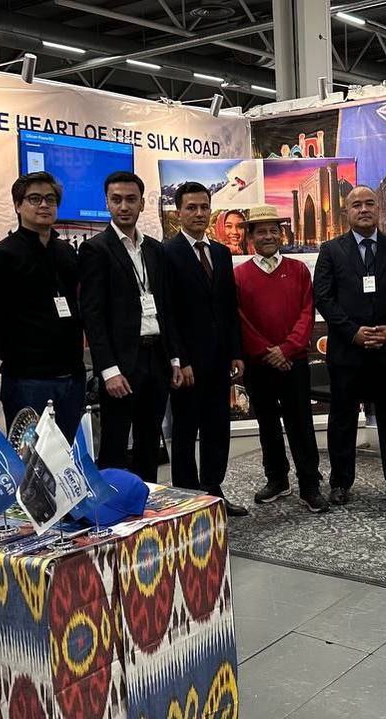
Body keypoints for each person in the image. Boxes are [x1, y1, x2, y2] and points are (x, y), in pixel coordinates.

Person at [313, 186, 386, 505]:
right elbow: (323, 297)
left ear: (378, 209)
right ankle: (340, 483)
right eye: (356, 204)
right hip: (347, 352)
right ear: (346, 212)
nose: (364, 209)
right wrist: (352, 332)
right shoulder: (331, 250)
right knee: (343, 419)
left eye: (369, 203)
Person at [78, 171, 184, 484]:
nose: (124, 206)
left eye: (130, 199)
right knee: (114, 441)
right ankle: (111, 507)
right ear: (107, 203)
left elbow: (166, 307)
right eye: (116, 200)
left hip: (157, 357)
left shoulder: (154, 249)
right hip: (122, 363)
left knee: (149, 441)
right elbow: (92, 316)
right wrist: (108, 370)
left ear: (141, 204)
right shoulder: (96, 249)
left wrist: (175, 358)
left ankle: (144, 499)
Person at [235, 204, 329, 513]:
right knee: (268, 425)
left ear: (281, 235)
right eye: (261, 231)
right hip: (259, 364)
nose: (268, 236)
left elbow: (307, 312)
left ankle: (309, 485)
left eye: (273, 230)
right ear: (251, 237)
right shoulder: (239, 275)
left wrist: (286, 349)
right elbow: (240, 320)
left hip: (294, 361)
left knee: (301, 424)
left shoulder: (298, 269)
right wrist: (268, 352)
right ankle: (277, 479)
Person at [0, 171, 84, 440]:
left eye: (50, 199)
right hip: (28, 380)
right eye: (35, 199)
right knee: (30, 458)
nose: (44, 205)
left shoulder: (66, 252)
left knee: (66, 455)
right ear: (18, 205)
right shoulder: (1, 256)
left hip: (72, 377)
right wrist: (21, 358)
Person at [163, 182, 249, 517]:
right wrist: (179, 359)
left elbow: (229, 308)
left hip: (219, 359)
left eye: (204, 207)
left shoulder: (221, 253)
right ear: (179, 212)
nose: (199, 213)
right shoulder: (167, 253)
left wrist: (236, 351)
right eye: (191, 207)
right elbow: (168, 313)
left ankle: (213, 492)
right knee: (185, 431)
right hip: (188, 364)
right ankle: (187, 501)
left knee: (217, 428)